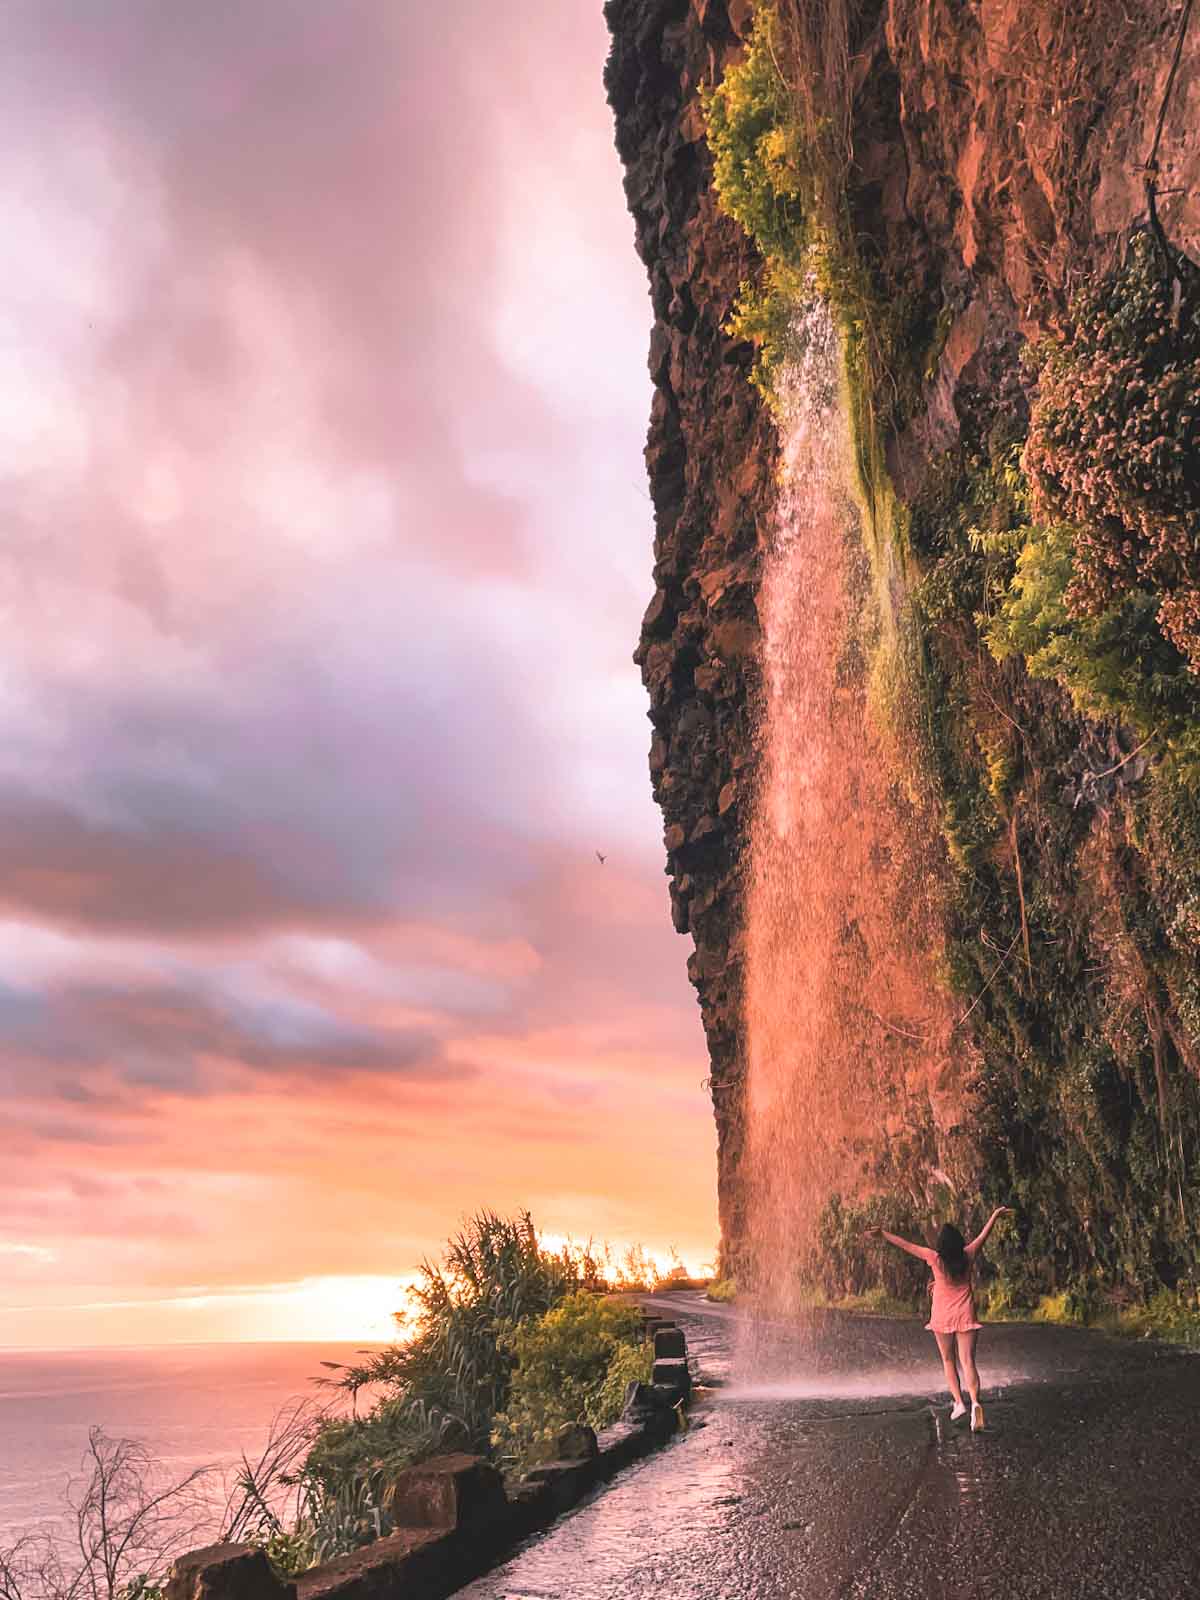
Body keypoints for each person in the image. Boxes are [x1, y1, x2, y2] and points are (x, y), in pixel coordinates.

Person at [874, 1206, 1013, 1431]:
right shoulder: (969, 1254)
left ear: (941, 1246)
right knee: (968, 1361)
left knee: (948, 1360)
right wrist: (995, 1214)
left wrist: (883, 1234)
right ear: (959, 1243)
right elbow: (983, 1235)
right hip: (965, 1313)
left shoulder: (934, 1259)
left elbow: (906, 1246)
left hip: (942, 1316)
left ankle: (959, 1403)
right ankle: (976, 1402)